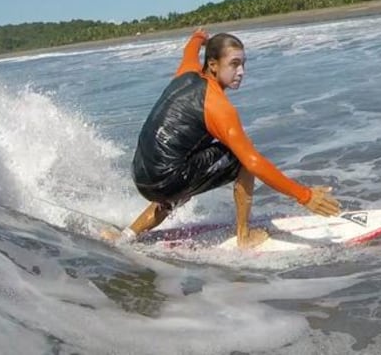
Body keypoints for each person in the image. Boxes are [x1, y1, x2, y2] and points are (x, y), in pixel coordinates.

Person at [104, 29, 340, 248]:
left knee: (184, 163)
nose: (241, 72)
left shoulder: (186, 72)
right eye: (234, 64)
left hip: (141, 174)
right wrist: (305, 196)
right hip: (165, 182)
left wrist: (199, 37)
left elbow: (189, 51)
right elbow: (253, 162)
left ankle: (127, 236)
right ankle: (244, 236)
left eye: (243, 64)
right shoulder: (219, 108)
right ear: (213, 65)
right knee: (240, 157)